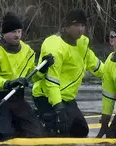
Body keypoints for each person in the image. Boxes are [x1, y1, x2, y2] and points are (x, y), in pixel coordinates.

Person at [0, 11, 54, 141]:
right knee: (3, 135)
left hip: (15, 97)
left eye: (19, 31)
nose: (17, 35)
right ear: (4, 34)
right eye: (13, 32)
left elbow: (31, 77)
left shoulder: (28, 51)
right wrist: (8, 83)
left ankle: (15, 124)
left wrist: (42, 70)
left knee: (38, 134)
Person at [32, 8, 104, 137]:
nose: (80, 29)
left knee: (81, 130)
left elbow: (95, 65)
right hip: (47, 96)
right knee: (60, 130)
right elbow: (51, 82)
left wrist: (114, 74)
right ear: (66, 26)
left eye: (83, 25)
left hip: (67, 97)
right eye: (76, 25)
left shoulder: (82, 43)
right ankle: (40, 118)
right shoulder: (54, 47)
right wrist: (58, 108)